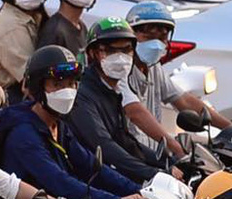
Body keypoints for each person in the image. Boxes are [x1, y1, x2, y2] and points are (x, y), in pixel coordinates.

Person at [0, 46, 155, 199]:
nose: (67, 91)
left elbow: (92, 166)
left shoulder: (58, 125)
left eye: (71, 84)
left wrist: (141, 190)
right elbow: (61, 183)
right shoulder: (23, 134)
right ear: (39, 88)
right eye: (57, 85)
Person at [124, 0, 228, 161]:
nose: (156, 43)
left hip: (155, 156)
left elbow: (184, 101)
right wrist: (174, 147)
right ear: (131, 35)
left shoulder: (154, 68)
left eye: (162, 36)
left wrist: (231, 128)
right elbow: (135, 113)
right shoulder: (121, 70)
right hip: (131, 159)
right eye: (149, 35)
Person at [69, 17, 167, 182]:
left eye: (126, 50)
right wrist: (154, 174)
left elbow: (125, 141)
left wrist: (167, 162)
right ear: (93, 54)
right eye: (110, 51)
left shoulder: (112, 89)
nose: (120, 58)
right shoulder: (82, 94)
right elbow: (104, 145)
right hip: (90, 182)